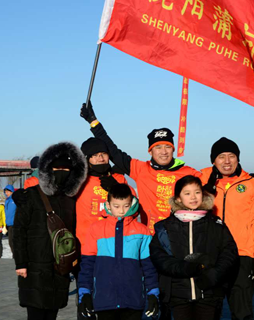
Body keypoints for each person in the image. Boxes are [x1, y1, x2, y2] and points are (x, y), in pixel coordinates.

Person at [80, 101, 200, 234]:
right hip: (151, 238)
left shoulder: (189, 173)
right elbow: (113, 151)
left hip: (181, 236)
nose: (164, 152)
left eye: (168, 147)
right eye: (158, 147)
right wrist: (93, 122)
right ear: (150, 151)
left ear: (173, 149)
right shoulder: (140, 169)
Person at [13, 141, 87, 320]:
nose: (62, 174)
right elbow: (19, 232)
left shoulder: (70, 200)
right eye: (57, 170)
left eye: (67, 170)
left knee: (52, 313)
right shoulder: (30, 195)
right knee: (36, 313)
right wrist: (20, 263)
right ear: (48, 171)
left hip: (59, 266)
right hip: (34, 266)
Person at [150, 175, 238, 320]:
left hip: (208, 293)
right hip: (177, 294)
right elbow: (159, 257)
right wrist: (183, 268)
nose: (193, 197)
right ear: (178, 198)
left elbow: (229, 252)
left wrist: (215, 274)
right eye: (187, 193)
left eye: (197, 192)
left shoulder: (215, 224)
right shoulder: (165, 227)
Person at [200, 137, 254, 320]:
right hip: (211, 254)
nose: (227, 161)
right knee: (209, 311)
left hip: (242, 255)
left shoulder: (251, 183)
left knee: (242, 312)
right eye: (221, 156)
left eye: (231, 156)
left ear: (238, 158)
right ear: (213, 160)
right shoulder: (202, 178)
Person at [77, 183, 159, 320]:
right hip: (104, 300)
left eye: (126, 206)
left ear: (132, 203)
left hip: (133, 300)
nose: (121, 211)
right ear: (108, 205)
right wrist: (84, 293)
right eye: (116, 206)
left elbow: (149, 267)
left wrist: (153, 294)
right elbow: (87, 265)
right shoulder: (95, 229)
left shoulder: (142, 231)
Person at [76, 138, 130, 255]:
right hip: (86, 247)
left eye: (103, 154)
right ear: (86, 158)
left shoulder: (119, 179)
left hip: (115, 246)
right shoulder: (79, 181)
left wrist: (117, 189)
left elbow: (134, 209)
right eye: (95, 155)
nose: (101, 158)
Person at [3, 185, 16, 255]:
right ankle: (15, 256)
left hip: (15, 224)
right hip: (9, 224)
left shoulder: (15, 199)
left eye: (8, 191)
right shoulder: (7, 200)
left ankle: (16, 257)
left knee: (14, 242)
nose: (6, 193)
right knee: (10, 242)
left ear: (12, 191)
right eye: (5, 192)